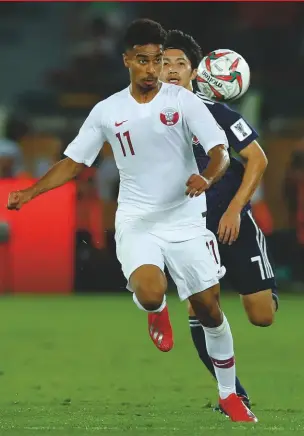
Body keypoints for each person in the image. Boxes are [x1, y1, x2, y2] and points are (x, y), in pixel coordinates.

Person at [7, 20, 256, 423]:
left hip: (186, 220)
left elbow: (221, 153)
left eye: (157, 61)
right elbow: (74, 162)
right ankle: (153, 310)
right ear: (127, 60)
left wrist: (206, 177)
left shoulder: (183, 101)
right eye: (143, 60)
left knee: (208, 309)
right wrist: (29, 193)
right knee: (152, 291)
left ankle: (229, 395)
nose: (152, 69)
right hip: (138, 220)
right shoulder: (108, 111)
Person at [161, 30, 279, 409]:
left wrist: (233, 209)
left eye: (180, 64)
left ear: (196, 72)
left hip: (233, 224)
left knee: (262, 316)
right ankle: (233, 393)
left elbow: (258, 159)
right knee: (201, 310)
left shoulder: (217, 113)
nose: (172, 71)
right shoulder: (148, 118)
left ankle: (263, 289)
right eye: (166, 64)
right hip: (191, 232)